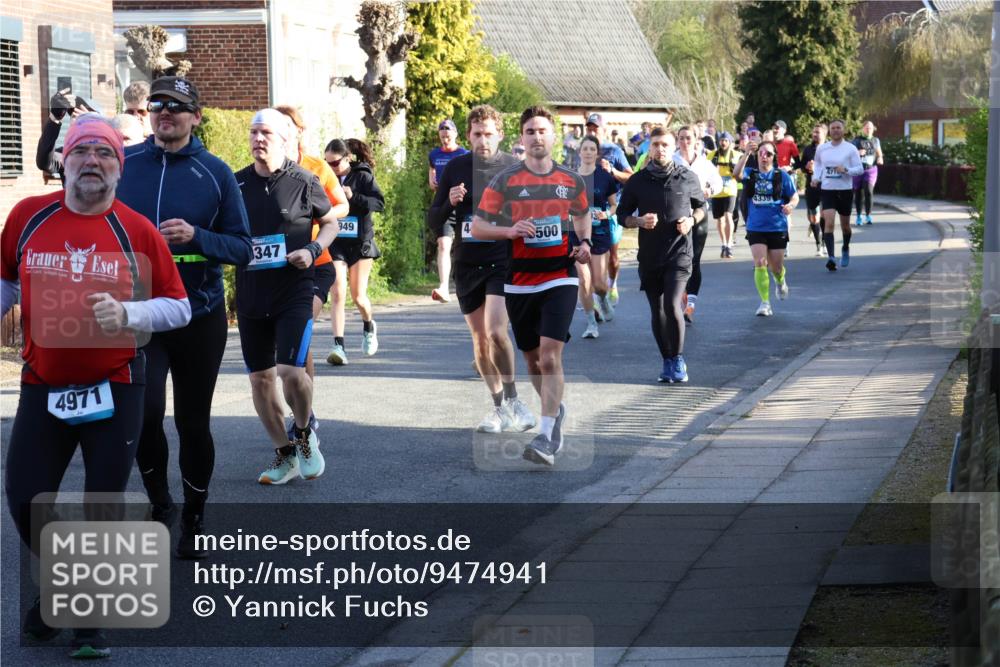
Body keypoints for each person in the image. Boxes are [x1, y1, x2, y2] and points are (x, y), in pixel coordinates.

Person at [2, 115, 190, 658]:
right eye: (81, 151)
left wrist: (129, 312)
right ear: (63, 161)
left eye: (104, 154)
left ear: (119, 166)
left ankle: (88, 623)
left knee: (101, 502)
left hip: (117, 384)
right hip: (43, 384)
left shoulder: (136, 230)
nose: (92, 161)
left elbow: (177, 306)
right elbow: (6, 280)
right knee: (24, 499)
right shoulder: (26, 217)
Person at [116, 76, 252, 559]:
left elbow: (243, 247)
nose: (164, 112)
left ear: (196, 116)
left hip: (200, 314)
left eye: (176, 106)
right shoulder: (123, 165)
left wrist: (197, 237)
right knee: (144, 415)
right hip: (139, 315)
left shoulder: (215, 173)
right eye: (157, 105)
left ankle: (195, 513)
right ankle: (160, 503)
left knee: (193, 423)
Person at [472, 105, 592, 466]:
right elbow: (478, 226)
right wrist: (509, 230)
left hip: (559, 275)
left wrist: (584, 244)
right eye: (530, 132)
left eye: (542, 131)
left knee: (550, 355)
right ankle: (554, 414)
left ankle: (545, 434)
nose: (537, 137)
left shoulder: (572, 181)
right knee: (532, 360)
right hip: (520, 280)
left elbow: (583, 214)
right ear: (521, 139)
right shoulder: (506, 181)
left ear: (553, 136)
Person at [235, 109, 339, 484]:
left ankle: (304, 431)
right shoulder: (236, 184)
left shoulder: (305, 180)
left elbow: (330, 222)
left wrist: (312, 250)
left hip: (294, 287)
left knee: (292, 372)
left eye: (265, 133)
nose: (258, 139)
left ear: (283, 139)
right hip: (250, 293)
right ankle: (284, 454)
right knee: (260, 380)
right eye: (253, 132)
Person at [427, 104, 536, 433]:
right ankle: (499, 406)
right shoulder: (456, 168)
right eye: (477, 134)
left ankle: (516, 398)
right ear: (469, 135)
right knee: (479, 340)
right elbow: (434, 221)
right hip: (467, 261)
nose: (483, 140)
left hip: (502, 259)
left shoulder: (515, 169)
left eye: (489, 134)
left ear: (500, 135)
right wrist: (451, 202)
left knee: (496, 332)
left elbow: (533, 214)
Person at [616, 127, 705, 383]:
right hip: (650, 255)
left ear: (673, 146)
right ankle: (666, 359)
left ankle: (678, 359)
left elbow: (701, 208)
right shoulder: (638, 181)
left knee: (672, 303)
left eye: (665, 144)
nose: (660, 149)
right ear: (649, 147)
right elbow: (622, 216)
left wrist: (690, 221)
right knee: (657, 311)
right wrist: (639, 221)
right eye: (655, 144)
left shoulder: (686, 177)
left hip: (679, 252)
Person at [274, 105, 350, 395]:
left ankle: (304, 417)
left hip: (317, 262)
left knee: (300, 327)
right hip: (279, 266)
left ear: (298, 131)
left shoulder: (317, 167)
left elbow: (342, 205)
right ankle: (303, 408)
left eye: (286, 125)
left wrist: (316, 215)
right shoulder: (264, 169)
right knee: (292, 344)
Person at [322, 138, 384, 365]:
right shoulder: (325, 178)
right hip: (336, 241)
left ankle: (369, 325)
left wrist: (352, 196)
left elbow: (379, 203)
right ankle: (338, 346)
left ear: (347, 159)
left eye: (335, 163)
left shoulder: (363, 176)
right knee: (338, 291)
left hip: (360, 243)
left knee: (358, 296)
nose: (331, 168)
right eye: (327, 163)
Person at [741, 141, 799, 317]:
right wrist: (745, 154)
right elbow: (736, 173)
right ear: (757, 155)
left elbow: (794, 197)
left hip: (776, 226)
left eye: (768, 154)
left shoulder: (781, 176)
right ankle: (765, 302)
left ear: (774, 157)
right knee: (760, 263)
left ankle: (780, 281)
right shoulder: (750, 173)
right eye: (761, 153)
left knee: (776, 268)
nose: (764, 156)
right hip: (755, 226)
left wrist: (790, 205)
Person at [674, 125, 722, 324]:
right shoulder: (672, 160)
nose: (685, 142)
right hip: (677, 215)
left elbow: (718, 182)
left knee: (694, 259)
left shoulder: (704, 163)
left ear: (696, 141)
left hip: (699, 213)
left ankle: (691, 304)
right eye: (682, 138)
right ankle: (682, 293)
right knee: (678, 259)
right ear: (677, 141)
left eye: (689, 138)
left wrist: (710, 188)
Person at [584, 113, 633, 306]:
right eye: (589, 128)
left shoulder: (614, 151)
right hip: (589, 211)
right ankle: (596, 297)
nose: (592, 131)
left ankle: (611, 285)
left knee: (612, 257)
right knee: (590, 254)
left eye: (595, 128)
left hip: (611, 210)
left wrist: (612, 171)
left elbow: (631, 177)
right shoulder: (583, 149)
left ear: (603, 130)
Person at [574, 135, 618, 339]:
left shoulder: (604, 177)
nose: (589, 152)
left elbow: (614, 205)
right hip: (577, 234)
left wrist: (606, 214)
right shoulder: (571, 178)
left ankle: (603, 298)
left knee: (599, 284)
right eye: (586, 149)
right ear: (580, 152)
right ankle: (591, 323)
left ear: (597, 153)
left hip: (599, 232)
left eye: (593, 149)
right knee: (584, 280)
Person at [811, 119, 863, 270]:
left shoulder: (850, 149)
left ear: (843, 130)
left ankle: (845, 247)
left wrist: (846, 170)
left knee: (845, 226)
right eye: (832, 128)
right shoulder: (822, 148)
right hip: (827, 190)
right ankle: (831, 257)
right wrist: (816, 178)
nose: (835, 130)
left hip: (845, 190)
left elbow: (859, 169)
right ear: (829, 131)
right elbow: (819, 166)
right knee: (829, 223)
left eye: (838, 128)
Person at [428, 119, 470, 304]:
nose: (445, 136)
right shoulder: (434, 154)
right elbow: (432, 180)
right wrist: (435, 183)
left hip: (463, 205)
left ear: (455, 134)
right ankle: (444, 286)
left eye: (448, 133)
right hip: (444, 205)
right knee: (444, 245)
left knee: (465, 245)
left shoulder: (464, 154)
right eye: (442, 133)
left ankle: (468, 282)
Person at [707, 132, 742, 258]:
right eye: (721, 140)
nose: (723, 143)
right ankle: (723, 244)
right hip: (716, 191)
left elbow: (741, 173)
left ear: (731, 142)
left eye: (726, 140)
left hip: (730, 190)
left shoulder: (737, 155)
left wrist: (735, 168)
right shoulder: (712, 155)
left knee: (728, 216)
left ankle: (729, 245)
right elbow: (706, 171)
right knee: (720, 219)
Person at [799, 123, 828, 256]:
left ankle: (823, 243)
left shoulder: (830, 148)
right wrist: (807, 166)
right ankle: (818, 244)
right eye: (814, 132)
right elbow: (803, 167)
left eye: (818, 132)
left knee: (824, 215)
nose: (815, 134)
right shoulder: (808, 149)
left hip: (827, 186)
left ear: (824, 134)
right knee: (813, 217)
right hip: (812, 186)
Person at [852, 120, 883, 226]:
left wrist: (880, 158)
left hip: (871, 169)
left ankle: (868, 215)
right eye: (866, 127)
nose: (868, 129)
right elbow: (850, 153)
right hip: (858, 169)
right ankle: (859, 216)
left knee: (868, 191)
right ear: (863, 129)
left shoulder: (876, 140)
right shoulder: (857, 140)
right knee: (858, 193)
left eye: (870, 127)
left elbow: (879, 153)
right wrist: (858, 152)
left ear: (873, 129)